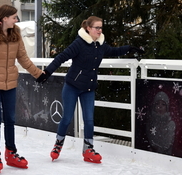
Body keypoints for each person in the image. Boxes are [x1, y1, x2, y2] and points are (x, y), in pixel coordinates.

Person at [36, 16, 144, 163]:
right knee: (67, 118)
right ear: (88, 28)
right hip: (72, 86)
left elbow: (113, 51)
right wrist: (47, 72)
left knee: (89, 120)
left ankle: (88, 149)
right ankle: (58, 145)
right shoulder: (79, 43)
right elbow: (62, 57)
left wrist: (129, 49)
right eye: (97, 28)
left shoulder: (100, 45)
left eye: (101, 28)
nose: (100, 30)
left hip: (88, 88)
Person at [0, 4, 43, 174]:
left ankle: (11, 153)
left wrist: (38, 74)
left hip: (9, 83)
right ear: (4, 18)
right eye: (14, 17)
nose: (16, 20)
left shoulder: (16, 34)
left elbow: (22, 57)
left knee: (10, 120)